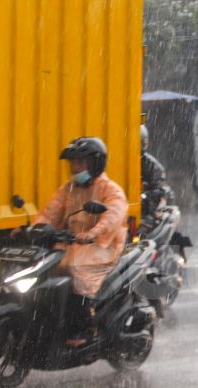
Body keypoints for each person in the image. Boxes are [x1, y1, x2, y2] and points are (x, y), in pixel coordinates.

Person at [29, 137, 129, 344]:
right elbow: (51, 211)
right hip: (74, 243)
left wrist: (93, 233)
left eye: (80, 162)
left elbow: (113, 216)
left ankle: (84, 328)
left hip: (102, 245)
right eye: (73, 163)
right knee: (47, 266)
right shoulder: (68, 189)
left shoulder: (111, 190)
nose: (75, 168)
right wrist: (35, 228)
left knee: (77, 269)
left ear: (95, 163)